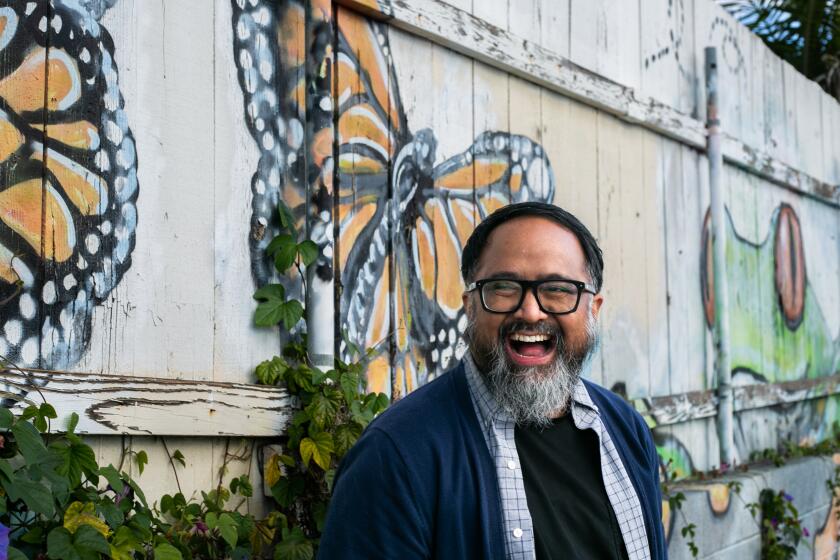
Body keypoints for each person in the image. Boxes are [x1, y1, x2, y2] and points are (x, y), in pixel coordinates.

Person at [319, 202, 666, 559]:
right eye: (503, 287)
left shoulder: (626, 430)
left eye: (558, 289)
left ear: (593, 309)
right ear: (470, 305)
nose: (530, 311)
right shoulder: (397, 454)